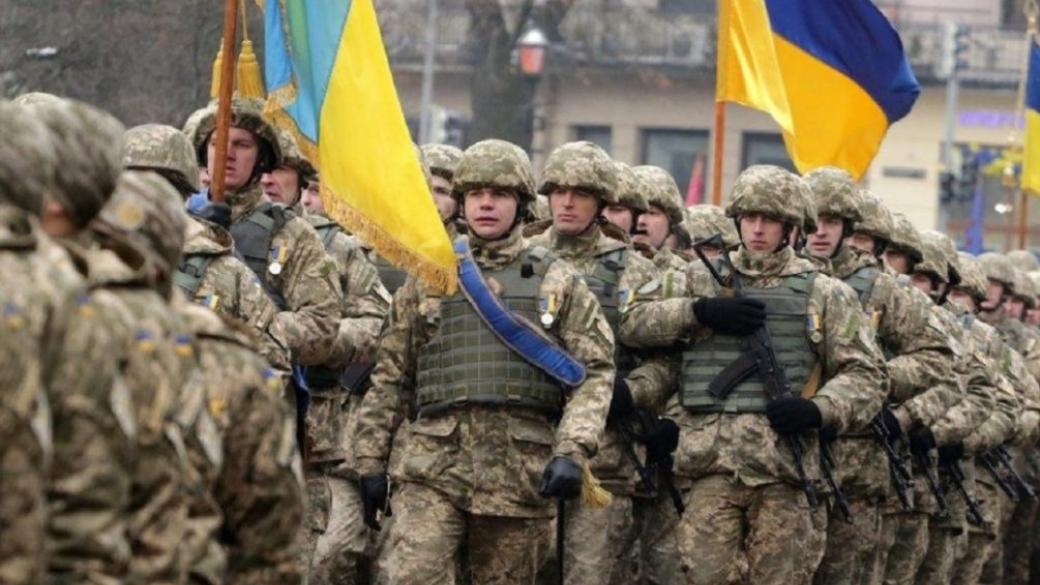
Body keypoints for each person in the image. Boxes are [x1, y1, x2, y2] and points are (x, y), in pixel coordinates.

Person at [352, 139, 616, 585]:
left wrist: (573, 450)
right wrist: (370, 462)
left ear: (522, 204)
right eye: (475, 194)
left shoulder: (558, 280)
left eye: (499, 195)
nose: (486, 204)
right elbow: (391, 377)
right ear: (462, 203)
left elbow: (595, 372)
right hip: (432, 467)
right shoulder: (428, 275)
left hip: (518, 474)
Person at [620, 164, 887, 585]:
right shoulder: (698, 278)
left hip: (784, 470)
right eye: (750, 218)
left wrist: (819, 409)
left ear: (792, 227)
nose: (758, 229)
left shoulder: (824, 292)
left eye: (771, 219)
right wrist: (697, 311)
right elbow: (631, 322)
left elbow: (867, 374)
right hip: (709, 466)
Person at [526, 141, 673, 585]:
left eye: (582, 194)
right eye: (559, 192)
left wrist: (631, 391)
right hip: (522, 449)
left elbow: (667, 364)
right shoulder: (519, 258)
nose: (567, 203)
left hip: (604, 457)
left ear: (603, 202)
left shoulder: (634, 270)